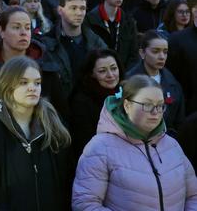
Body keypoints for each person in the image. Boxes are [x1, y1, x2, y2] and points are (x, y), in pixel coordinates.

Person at [0, 56, 72, 210]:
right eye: (24, 82)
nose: (32, 88)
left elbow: (67, 179)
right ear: (7, 86)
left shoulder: (54, 127)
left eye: (37, 83)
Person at [73, 75, 197, 210]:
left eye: (160, 105)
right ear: (127, 105)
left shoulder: (172, 145)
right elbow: (85, 203)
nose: (155, 112)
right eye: (147, 105)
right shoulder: (100, 147)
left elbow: (193, 196)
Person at [0, 6, 67, 139]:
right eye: (16, 27)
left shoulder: (46, 67)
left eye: (27, 27)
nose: (23, 32)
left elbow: (61, 115)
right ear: (1, 31)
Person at [43, 0, 107, 98]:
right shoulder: (48, 43)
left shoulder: (97, 43)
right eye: (73, 8)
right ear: (60, 10)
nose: (79, 13)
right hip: (60, 106)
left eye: (82, 8)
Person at [127, 30, 184, 134]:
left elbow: (179, 121)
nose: (162, 56)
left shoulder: (173, 83)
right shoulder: (129, 81)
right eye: (155, 51)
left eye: (165, 52)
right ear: (142, 53)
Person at [69, 48, 123, 158]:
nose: (111, 75)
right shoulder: (81, 102)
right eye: (102, 71)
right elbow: (85, 144)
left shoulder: (126, 92)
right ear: (91, 74)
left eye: (114, 68)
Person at [84, 0, 139, 69]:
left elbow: (133, 53)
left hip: (123, 72)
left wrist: (126, 75)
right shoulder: (90, 20)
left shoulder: (129, 21)